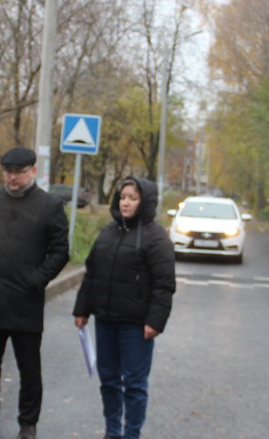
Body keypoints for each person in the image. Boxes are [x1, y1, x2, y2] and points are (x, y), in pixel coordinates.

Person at [0, 147, 70, 439]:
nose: (12, 177)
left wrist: (36, 280)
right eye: (8, 171)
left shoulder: (49, 206)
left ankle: (27, 424)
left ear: (33, 171)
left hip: (25, 300)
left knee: (29, 368)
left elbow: (60, 252)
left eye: (19, 172)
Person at [72, 176, 175, 439]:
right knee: (108, 380)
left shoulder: (156, 237)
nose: (126, 203)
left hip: (136, 326)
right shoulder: (109, 231)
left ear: (145, 201)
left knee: (134, 384)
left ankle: (131, 434)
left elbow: (164, 285)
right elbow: (91, 273)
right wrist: (82, 310)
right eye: (123, 197)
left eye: (132, 198)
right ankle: (112, 431)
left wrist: (155, 322)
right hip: (105, 321)